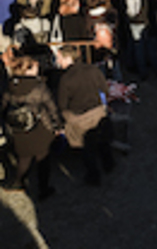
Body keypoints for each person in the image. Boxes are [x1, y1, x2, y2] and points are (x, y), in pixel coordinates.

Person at [2, 54, 61, 199]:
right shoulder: (39, 87)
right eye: (35, 68)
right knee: (43, 160)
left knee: (24, 158)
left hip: (19, 129)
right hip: (39, 128)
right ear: (27, 70)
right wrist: (57, 125)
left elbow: (3, 107)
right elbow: (52, 108)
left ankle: (18, 182)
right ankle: (43, 189)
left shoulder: (10, 86)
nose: (38, 70)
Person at [57, 43, 114, 186]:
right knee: (102, 140)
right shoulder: (92, 69)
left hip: (80, 117)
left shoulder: (65, 79)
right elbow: (105, 89)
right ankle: (109, 165)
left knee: (87, 149)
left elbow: (62, 104)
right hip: (98, 111)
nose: (57, 61)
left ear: (66, 58)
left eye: (58, 58)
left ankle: (93, 176)